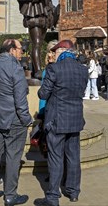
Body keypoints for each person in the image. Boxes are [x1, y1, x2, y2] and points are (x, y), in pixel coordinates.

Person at [35, 39, 88, 206]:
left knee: (55, 157)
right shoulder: (82, 70)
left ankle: (52, 196)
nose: (53, 55)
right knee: (73, 156)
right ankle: (73, 192)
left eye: (55, 52)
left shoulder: (54, 69)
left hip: (57, 120)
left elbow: (43, 94)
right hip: (75, 119)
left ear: (62, 51)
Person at [0, 39, 33, 206]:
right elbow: (20, 99)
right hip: (14, 119)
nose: (22, 52)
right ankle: (10, 195)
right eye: (20, 49)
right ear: (11, 50)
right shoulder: (15, 68)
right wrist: (27, 119)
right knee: (13, 156)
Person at [16, 0, 59, 79]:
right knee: (37, 43)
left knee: (40, 45)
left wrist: (53, 10)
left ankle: (36, 70)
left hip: (45, 14)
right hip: (34, 12)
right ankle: (38, 70)